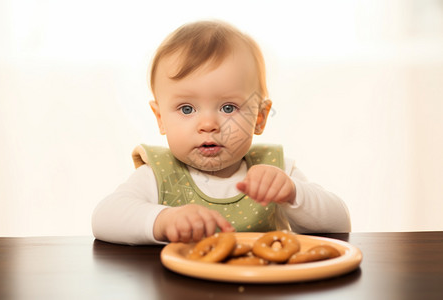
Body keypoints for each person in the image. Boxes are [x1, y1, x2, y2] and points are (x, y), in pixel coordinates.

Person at [92, 20, 351, 245]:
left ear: (259, 118)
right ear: (160, 118)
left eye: (228, 107)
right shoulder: (159, 173)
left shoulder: (276, 170)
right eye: (186, 108)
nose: (208, 124)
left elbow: (340, 222)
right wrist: (162, 219)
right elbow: (105, 218)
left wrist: (294, 193)